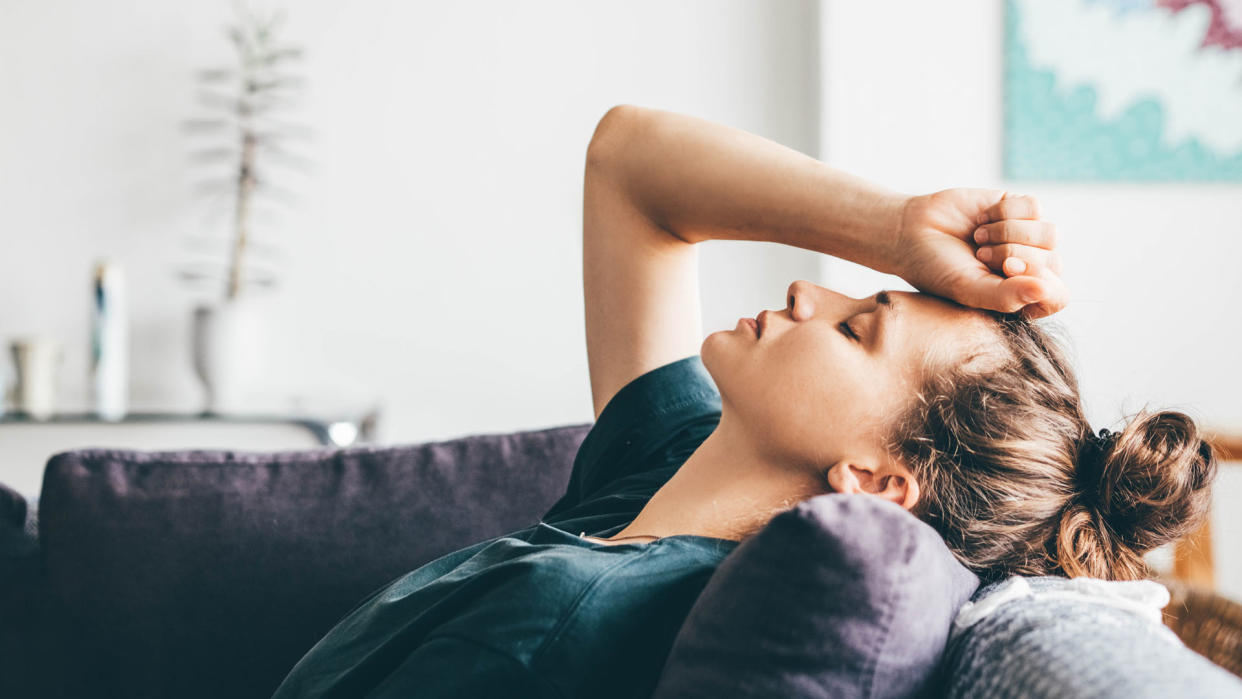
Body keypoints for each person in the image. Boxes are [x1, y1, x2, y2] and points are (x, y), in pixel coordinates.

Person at [270, 106, 1216, 698]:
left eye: (857, 329)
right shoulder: (668, 467)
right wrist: (895, 229)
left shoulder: (563, 618)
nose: (813, 294)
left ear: (876, 478)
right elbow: (630, 164)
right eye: (861, 292)